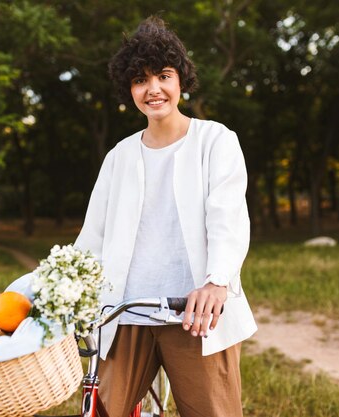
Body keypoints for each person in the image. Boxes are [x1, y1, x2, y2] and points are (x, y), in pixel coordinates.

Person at [74, 16, 256, 417]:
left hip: (196, 314)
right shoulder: (118, 157)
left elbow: (227, 218)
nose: (153, 88)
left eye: (164, 75)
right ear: (130, 90)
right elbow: (92, 237)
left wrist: (216, 282)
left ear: (180, 81)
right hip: (124, 313)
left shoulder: (216, 141)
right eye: (140, 79)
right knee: (101, 409)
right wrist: (58, 290)